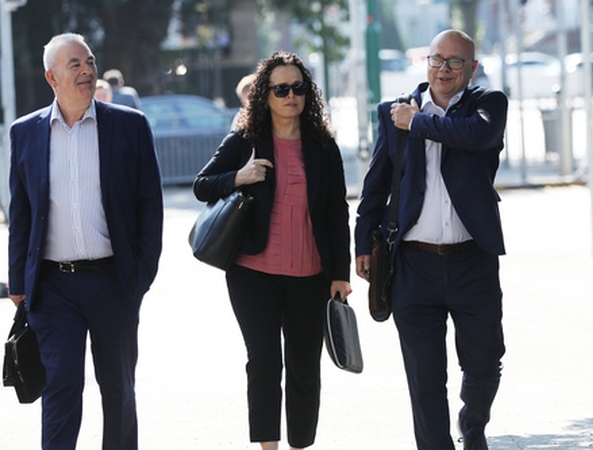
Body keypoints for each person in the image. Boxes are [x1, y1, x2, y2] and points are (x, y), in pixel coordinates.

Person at [7, 33, 163, 449]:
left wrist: (141, 275)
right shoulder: (25, 133)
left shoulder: (129, 126)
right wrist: (19, 285)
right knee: (60, 388)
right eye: (74, 64)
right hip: (53, 288)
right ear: (51, 76)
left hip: (114, 281)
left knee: (118, 390)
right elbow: (20, 215)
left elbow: (151, 204)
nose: (86, 70)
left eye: (89, 61)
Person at [354, 29, 508, 450]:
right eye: (437, 59)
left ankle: (472, 427)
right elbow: (374, 187)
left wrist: (419, 121)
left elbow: (478, 138)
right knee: (424, 376)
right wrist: (361, 244)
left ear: (471, 68)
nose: (444, 69)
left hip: (472, 259)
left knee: (484, 363)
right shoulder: (394, 112)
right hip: (413, 265)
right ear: (426, 62)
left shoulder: (487, 106)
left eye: (455, 62)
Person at [193, 52, 351, 450]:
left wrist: (340, 273)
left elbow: (336, 211)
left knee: (304, 367)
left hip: (310, 275)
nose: (290, 96)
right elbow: (202, 184)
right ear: (265, 95)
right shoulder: (245, 140)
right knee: (263, 361)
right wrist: (238, 177)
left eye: (298, 88)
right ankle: (268, 446)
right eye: (281, 89)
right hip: (252, 273)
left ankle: (300, 445)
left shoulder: (322, 146)